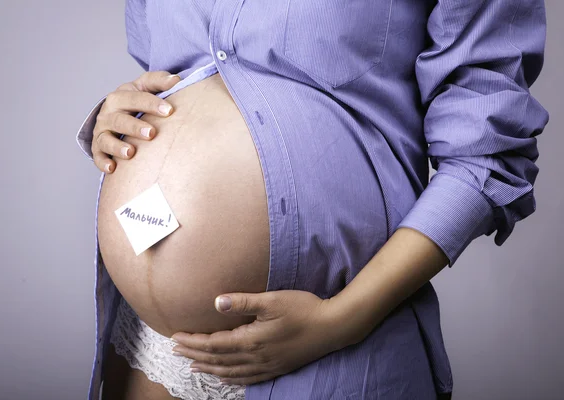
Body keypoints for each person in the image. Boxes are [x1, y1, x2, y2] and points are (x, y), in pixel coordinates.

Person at [75, 1, 549, 399]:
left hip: (329, 347)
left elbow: (486, 159)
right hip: (149, 350)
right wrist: (118, 116)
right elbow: (181, 73)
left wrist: (340, 321)